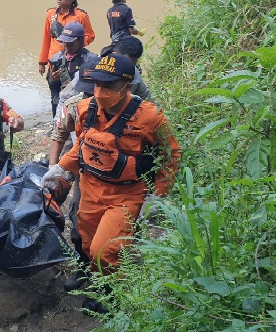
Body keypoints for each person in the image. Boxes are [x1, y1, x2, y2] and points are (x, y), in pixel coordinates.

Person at [41, 54, 181, 314]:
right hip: (91, 189)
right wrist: (60, 169)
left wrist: (159, 196)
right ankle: (97, 279)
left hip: (126, 194)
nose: (100, 92)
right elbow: (83, 148)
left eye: (108, 87)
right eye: (96, 85)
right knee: (86, 244)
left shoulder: (150, 118)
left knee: (105, 250)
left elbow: (171, 155)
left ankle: (110, 295)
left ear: (126, 87)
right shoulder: (85, 109)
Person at [49, 57, 98, 291]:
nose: (89, 98)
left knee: (111, 231)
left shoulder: (130, 111)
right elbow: (60, 135)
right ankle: (83, 265)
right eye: (85, 92)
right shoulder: (74, 105)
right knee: (79, 220)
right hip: (85, 172)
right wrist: (54, 168)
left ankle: (108, 279)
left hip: (118, 180)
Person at [38, 0, 96, 78]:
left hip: (74, 61)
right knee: (54, 89)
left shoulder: (81, 16)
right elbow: (46, 37)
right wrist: (42, 61)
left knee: (73, 89)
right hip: (54, 60)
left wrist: (75, 45)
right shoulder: (51, 14)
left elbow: (90, 35)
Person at [46, 22, 100, 116]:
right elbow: (53, 90)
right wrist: (53, 81)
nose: (67, 46)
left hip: (82, 106)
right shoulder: (56, 59)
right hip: (61, 103)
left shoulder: (91, 61)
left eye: (70, 43)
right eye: (65, 42)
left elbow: (95, 89)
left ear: (80, 41)